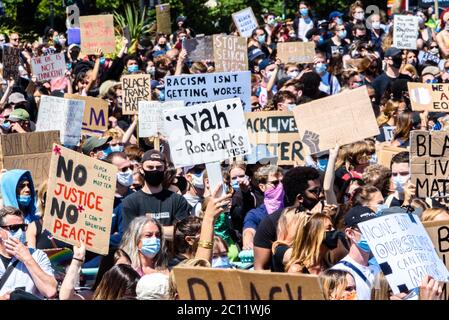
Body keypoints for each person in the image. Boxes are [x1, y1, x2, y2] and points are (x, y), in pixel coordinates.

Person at [253, 167, 323, 270]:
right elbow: (259, 268)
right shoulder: (271, 223)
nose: (321, 195)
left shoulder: (325, 219)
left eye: (320, 190)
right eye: (314, 191)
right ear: (300, 198)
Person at [121, 150, 191, 241]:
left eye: (159, 167)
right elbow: (130, 234)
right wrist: (167, 231)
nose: (155, 170)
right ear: (141, 169)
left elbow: (182, 233)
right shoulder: (130, 202)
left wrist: (146, 231)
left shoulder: (178, 200)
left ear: (165, 169)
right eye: (150, 167)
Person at [0, 206, 57, 299]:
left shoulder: (37, 255)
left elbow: (50, 291)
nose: (20, 231)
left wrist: (27, 259)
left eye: (22, 227)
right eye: (14, 228)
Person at [332, 205, 380, 300]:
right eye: (366, 229)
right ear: (350, 233)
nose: (373, 234)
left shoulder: (378, 268)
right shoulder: (339, 272)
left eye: (375, 228)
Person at [242, 165, 284, 250]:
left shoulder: (292, 209)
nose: (280, 186)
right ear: (262, 187)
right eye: (275, 183)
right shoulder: (256, 214)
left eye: (282, 182)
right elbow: (249, 230)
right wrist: (248, 240)